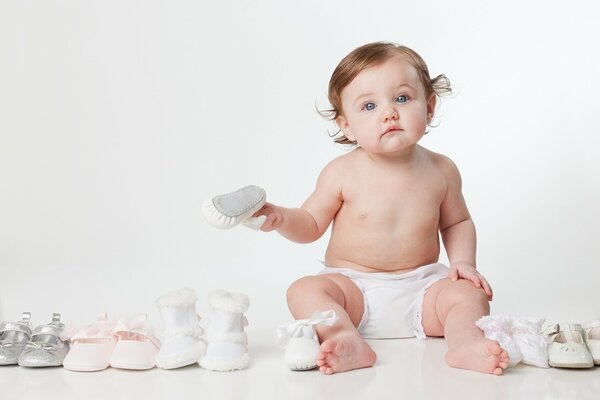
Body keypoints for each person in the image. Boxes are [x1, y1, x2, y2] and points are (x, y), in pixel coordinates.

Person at [252, 42, 509, 375]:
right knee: (304, 290)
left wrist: (463, 263)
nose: (388, 112)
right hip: (352, 289)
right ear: (347, 126)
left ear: (429, 107)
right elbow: (311, 223)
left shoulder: (442, 170)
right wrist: (281, 218)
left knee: (469, 296)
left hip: (423, 290)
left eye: (402, 98)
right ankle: (345, 338)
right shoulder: (341, 172)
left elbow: (457, 222)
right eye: (369, 106)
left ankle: (464, 342)